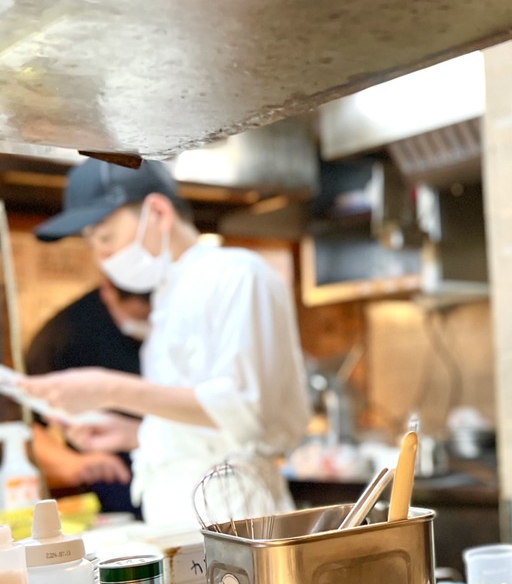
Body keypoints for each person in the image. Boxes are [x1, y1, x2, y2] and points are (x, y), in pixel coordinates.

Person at [21, 160, 310, 528]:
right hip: (180, 515)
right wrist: (135, 434)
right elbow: (206, 425)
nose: (102, 258)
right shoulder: (168, 298)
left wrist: (107, 388)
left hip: (233, 512)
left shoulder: (236, 274)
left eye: (106, 238)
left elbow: (245, 410)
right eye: (92, 244)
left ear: (157, 212)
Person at [23, 280, 151, 518]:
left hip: (182, 458)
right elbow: (22, 424)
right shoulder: (63, 338)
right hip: (113, 474)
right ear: (108, 291)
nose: (148, 325)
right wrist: (69, 463)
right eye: (139, 317)